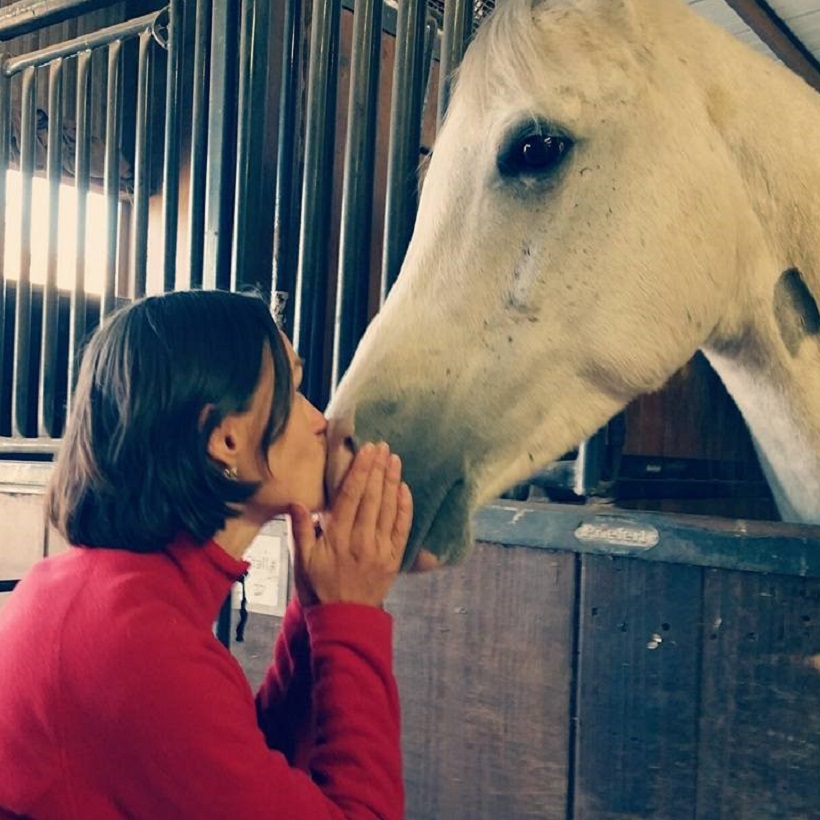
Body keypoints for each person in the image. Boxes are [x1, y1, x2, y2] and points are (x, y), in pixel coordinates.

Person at [0, 289, 413, 819]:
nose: (323, 421)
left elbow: (243, 774)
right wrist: (352, 613)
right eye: (292, 389)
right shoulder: (140, 650)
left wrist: (316, 614)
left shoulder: (86, 591)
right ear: (225, 440)